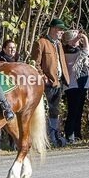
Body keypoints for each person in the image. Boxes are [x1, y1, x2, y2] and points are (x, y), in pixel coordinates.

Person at [30, 18, 71, 146]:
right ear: (53, 29)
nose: (61, 32)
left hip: (58, 82)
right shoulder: (41, 43)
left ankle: (54, 134)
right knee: (45, 111)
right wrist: (43, 77)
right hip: (46, 83)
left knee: (55, 110)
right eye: (60, 29)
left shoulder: (58, 44)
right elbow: (34, 63)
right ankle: (46, 137)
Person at [62, 30, 89, 142]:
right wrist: (84, 37)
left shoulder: (76, 50)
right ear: (70, 41)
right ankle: (69, 134)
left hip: (81, 84)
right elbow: (86, 51)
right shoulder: (69, 52)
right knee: (73, 111)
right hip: (72, 85)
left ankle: (77, 133)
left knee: (79, 110)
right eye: (75, 39)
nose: (78, 41)